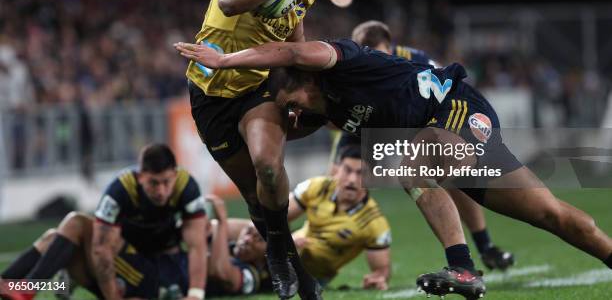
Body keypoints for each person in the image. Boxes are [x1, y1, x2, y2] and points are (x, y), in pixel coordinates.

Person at [174, 38, 612, 299]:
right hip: (435, 136)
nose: (290, 117)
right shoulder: (321, 112)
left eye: (290, 105)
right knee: (551, 214)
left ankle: (463, 267)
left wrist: (226, 60)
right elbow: (282, 144)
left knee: (409, 162)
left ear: (305, 81)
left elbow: (289, 49)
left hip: (458, 108)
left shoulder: (338, 60)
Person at [185, 0, 335, 299]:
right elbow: (229, 0)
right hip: (209, 94)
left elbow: (294, 45)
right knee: (254, 196)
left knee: (268, 167)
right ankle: (289, 262)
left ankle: (281, 260)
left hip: (257, 90)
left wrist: (301, 89)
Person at [329, 20, 515, 272]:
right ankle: (327, 246)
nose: (371, 60)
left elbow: (446, 91)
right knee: (340, 175)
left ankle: (484, 247)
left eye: (378, 54)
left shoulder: (415, 59)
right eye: (366, 54)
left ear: (391, 48)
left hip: (413, 123)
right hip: (365, 125)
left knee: (454, 179)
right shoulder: (348, 66)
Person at [0, 144, 208, 300]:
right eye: (154, 183)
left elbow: (197, 245)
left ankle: (29, 288)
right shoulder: (121, 189)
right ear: (140, 176)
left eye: (166, 182)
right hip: (118, 269)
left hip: (155, 274)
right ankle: (8, 283)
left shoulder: (186, 187)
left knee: (76, 224)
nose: (161, 190)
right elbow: (100, 250)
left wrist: (196, 294)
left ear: (174, 174)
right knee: (55, 239)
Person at [289, 144, 391, 289]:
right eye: (347, 170)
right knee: (250, 229)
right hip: (281, 255)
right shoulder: (317, 187)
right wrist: (287, 242)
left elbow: (381, 272)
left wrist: (378, 279)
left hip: (310, 277)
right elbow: (274, 219)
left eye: (360, 173)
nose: (352, 180)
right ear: (337, 169)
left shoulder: (374, 222)